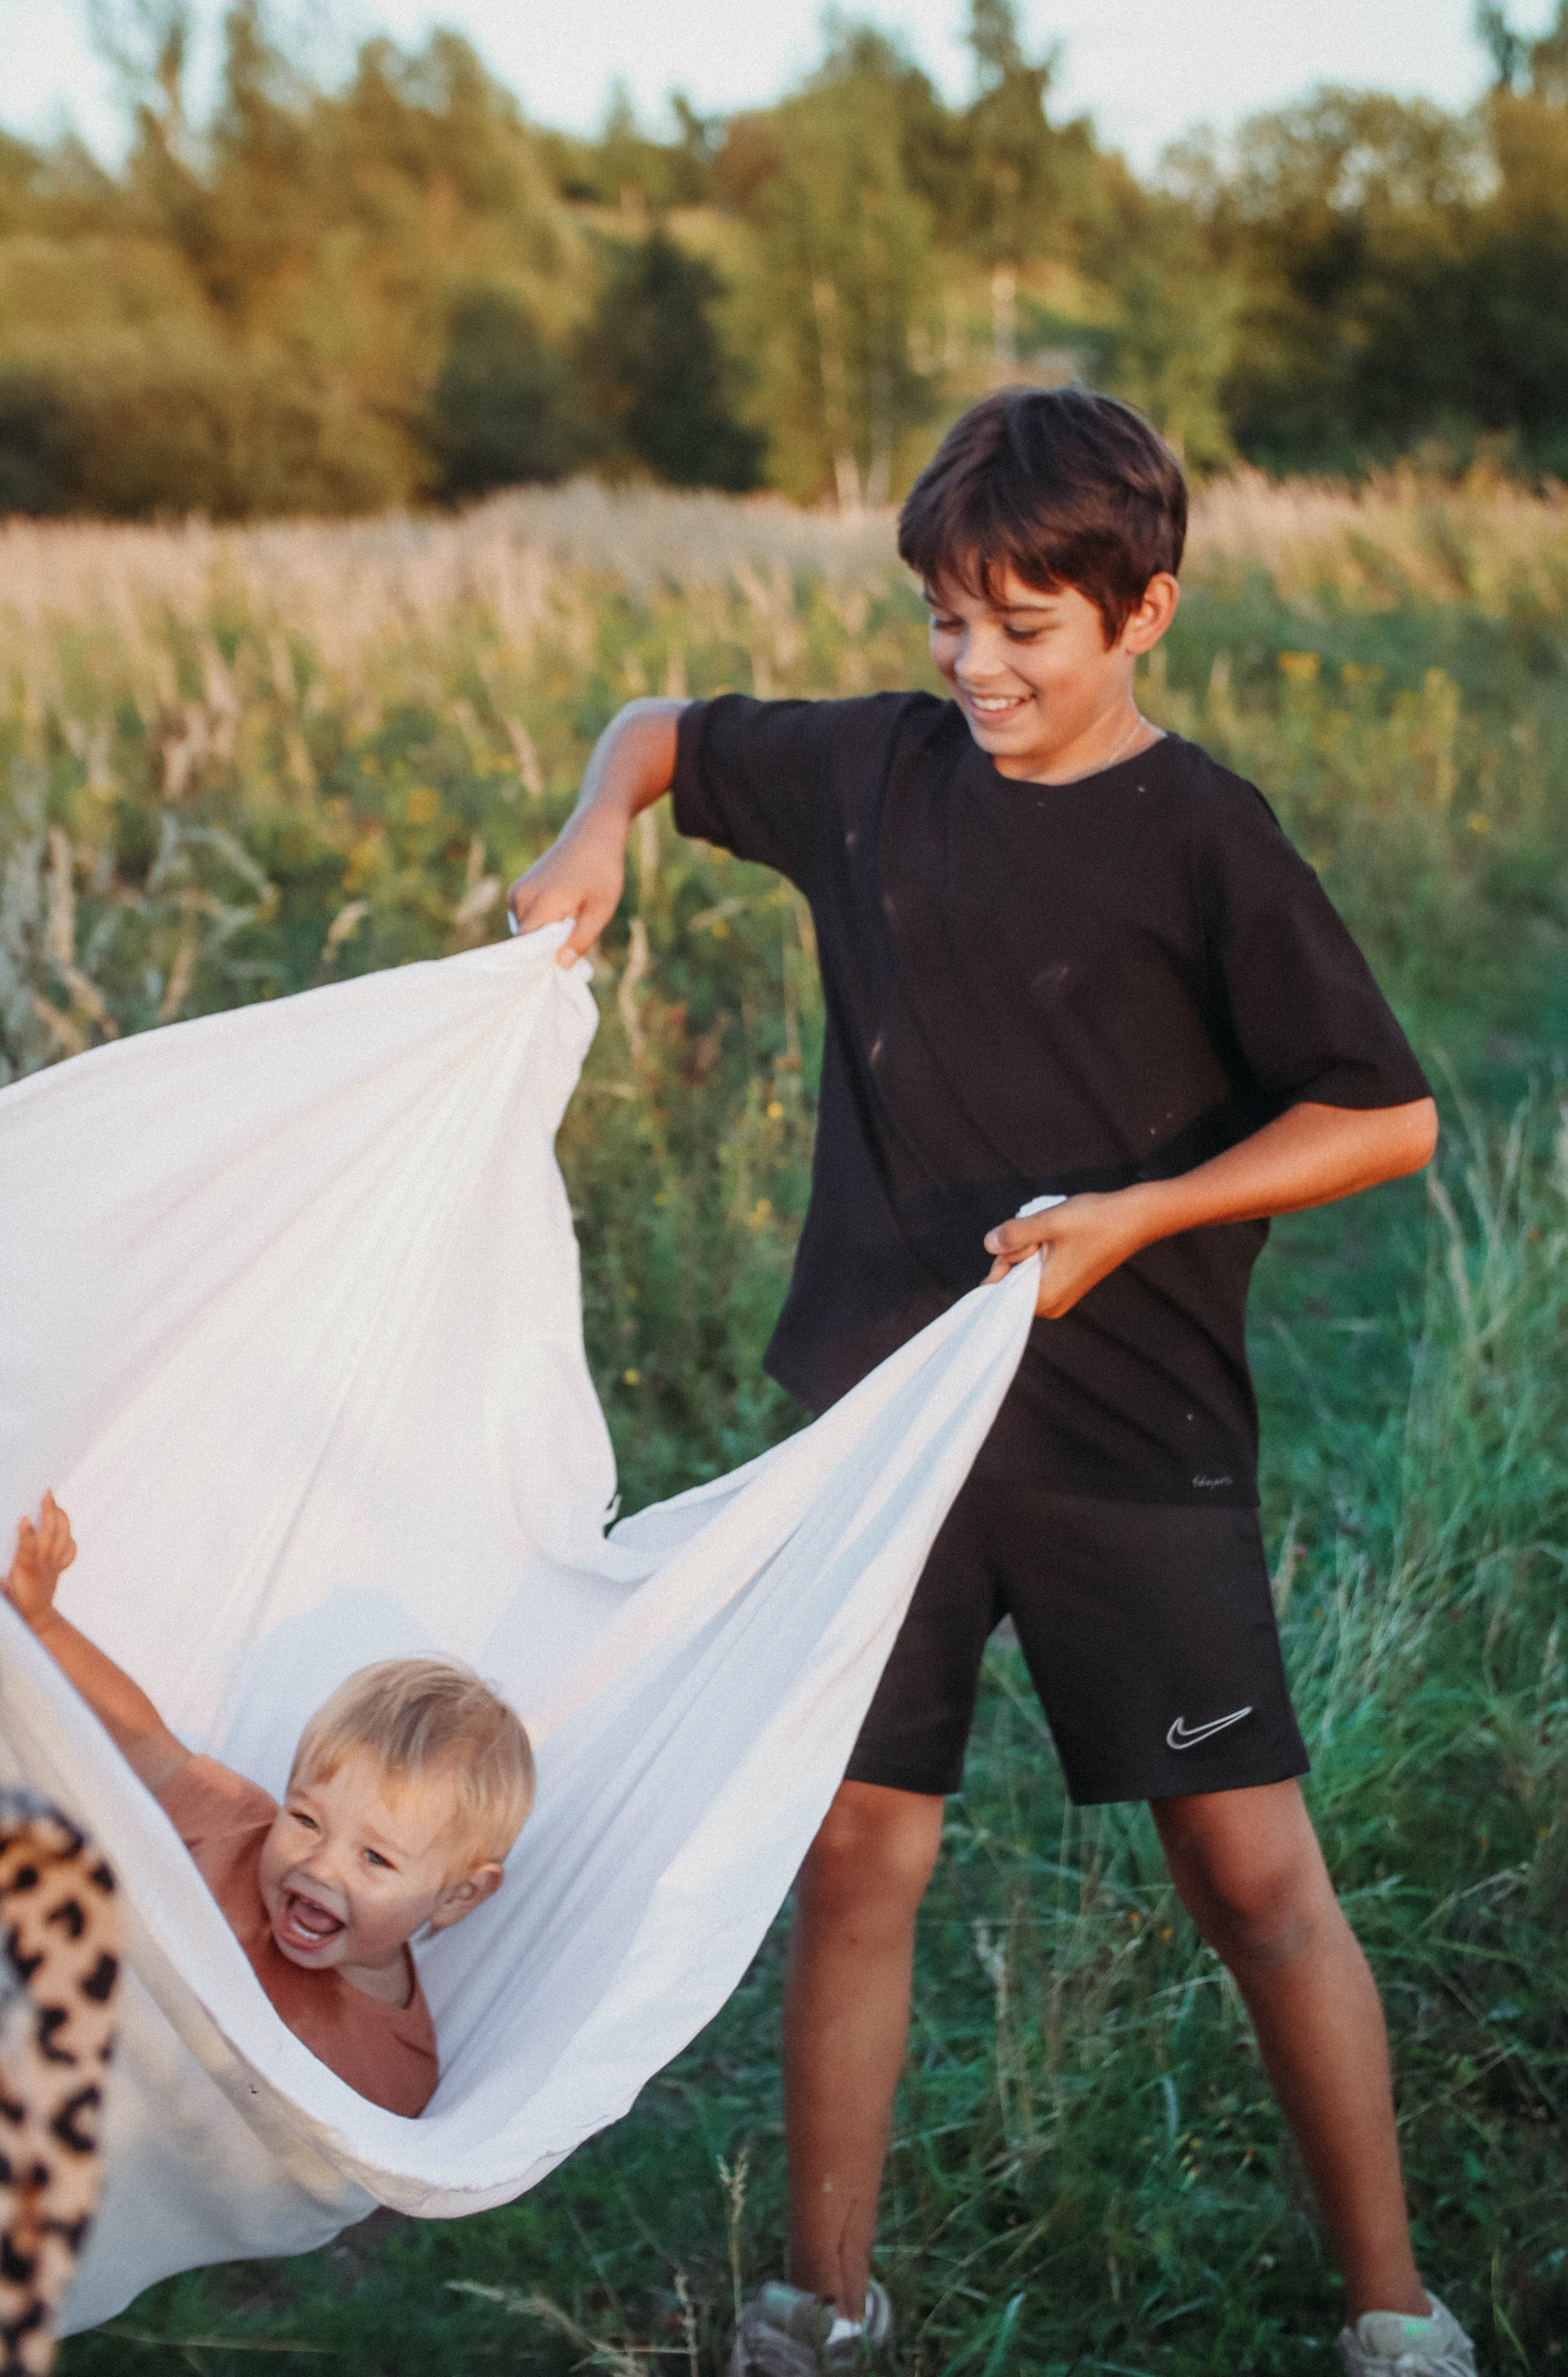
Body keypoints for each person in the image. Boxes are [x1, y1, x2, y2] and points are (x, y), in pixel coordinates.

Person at [507, 386, 1476, 2377]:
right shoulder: (874, 774)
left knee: (1250, 1870)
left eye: (1024, 627)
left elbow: (1385, 1120)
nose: (975, 666)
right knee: (861, 1849)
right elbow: (666, 733)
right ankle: (823, 2305)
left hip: (1133, 1441)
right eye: (950, 618)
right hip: (881, 1445)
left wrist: (1137, 1214)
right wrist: (597, 820)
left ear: (1145, 615)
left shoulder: (1202, 833)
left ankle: (1394, 2307)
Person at [4, 1493, 533, 2117]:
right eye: (306, 1818)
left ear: (457, 1896)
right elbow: (147, 1742)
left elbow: (335, 2195)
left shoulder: (390, 2072)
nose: (319, 1865)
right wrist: (42, 1623)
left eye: (375, 1857)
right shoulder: (238, 1827)